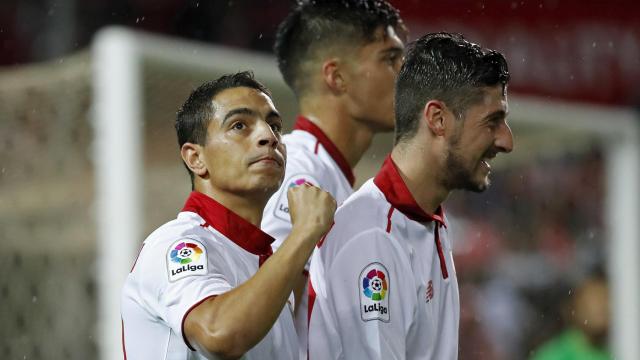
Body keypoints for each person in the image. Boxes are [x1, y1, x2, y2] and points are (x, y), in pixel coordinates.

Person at [308, 32, 514, 359]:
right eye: (493, 121)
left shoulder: (424, 218)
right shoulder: (373, 237)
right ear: (437, 119)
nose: (507, 141)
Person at [120, 71, 336, 360]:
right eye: (239, 125)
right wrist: (303, 233)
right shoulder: (176, 244)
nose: (268, 137)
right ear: (195, 158)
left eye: (274, 125)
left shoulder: (267, 268)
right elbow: (218, 334)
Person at [261, 1, 406, 355]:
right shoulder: (297, 172)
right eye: (390, 59)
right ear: (336, 77)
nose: (406, 73)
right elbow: (267, 310)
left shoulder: (328, 175)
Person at [530, 276, 611, 360]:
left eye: (604, 301)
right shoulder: (556, 354)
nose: (601, 308)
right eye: (595, 301)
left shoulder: (610, 348)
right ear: (576, 306)